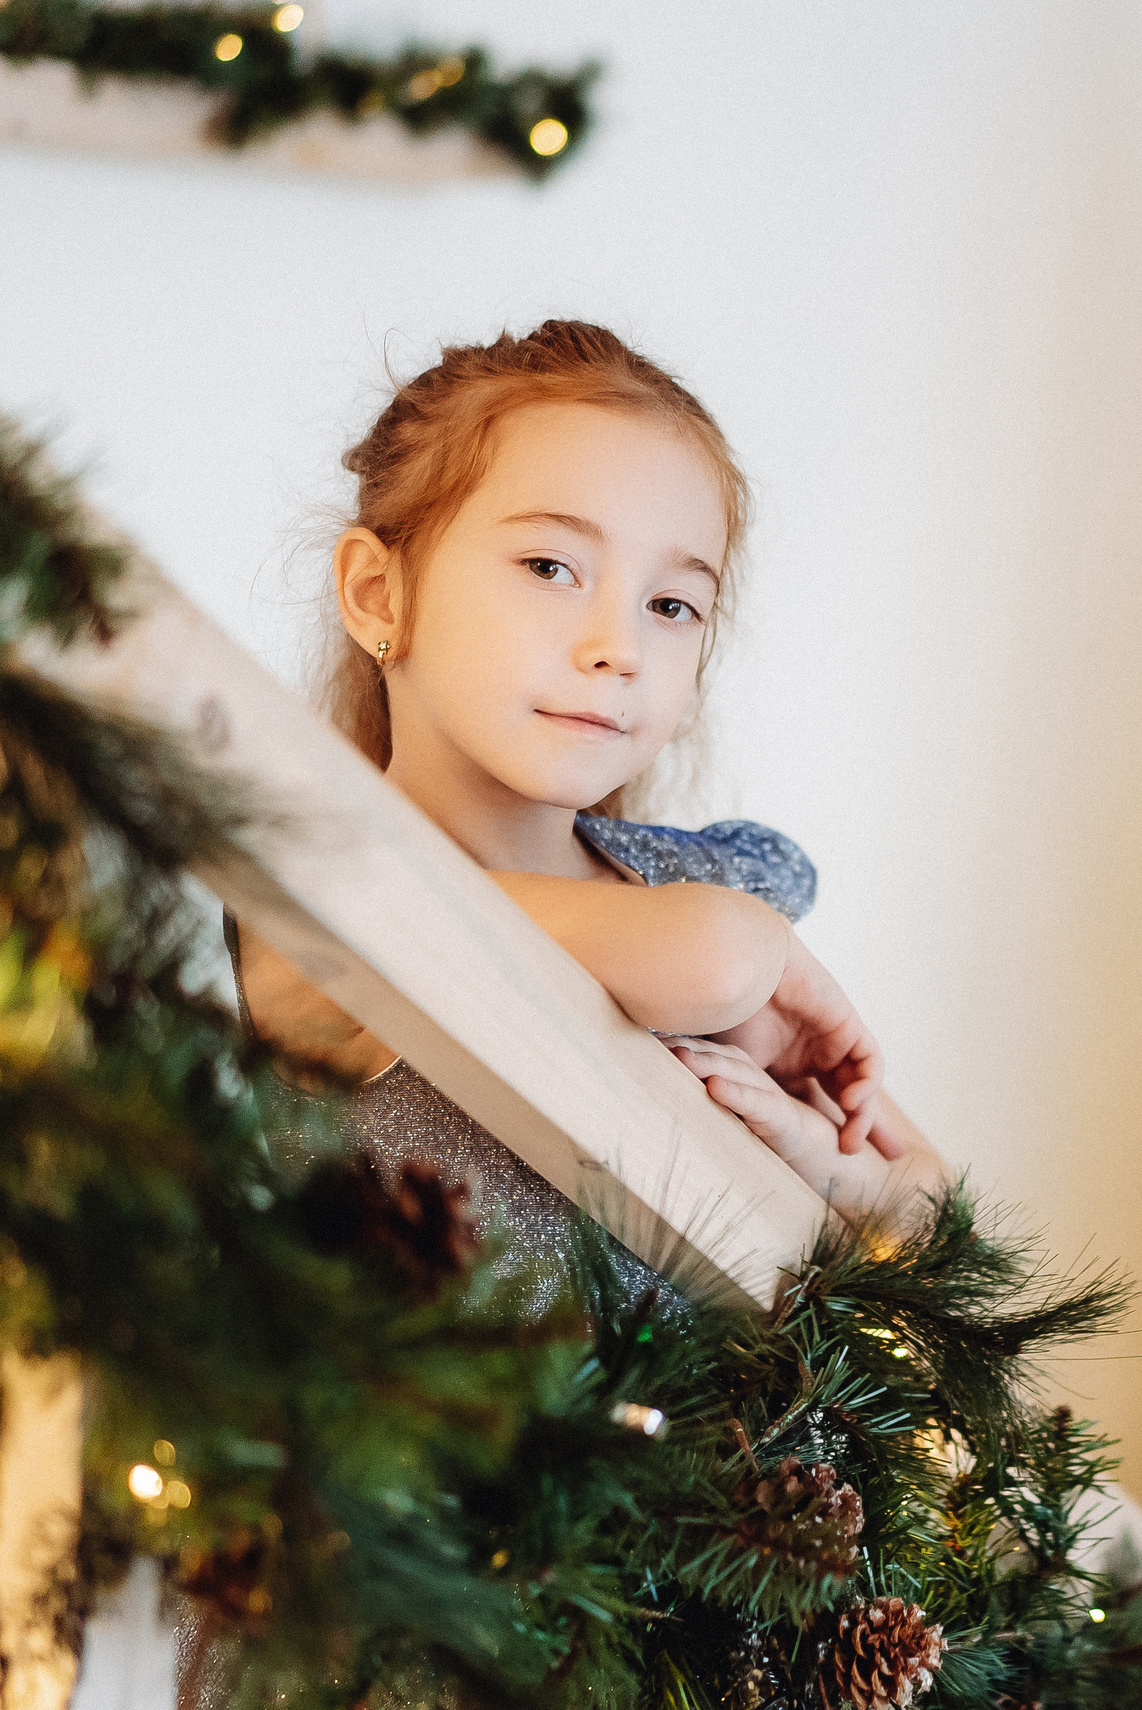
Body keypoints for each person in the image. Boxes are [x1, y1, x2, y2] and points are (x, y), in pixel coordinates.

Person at [226, 321, 951, 1310]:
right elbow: (716, 959)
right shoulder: (307, 903)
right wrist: (761, 948)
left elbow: (928, 1202)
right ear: (377, 593)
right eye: (550, 568)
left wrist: (827, 1169)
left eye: (671, 605)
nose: (620, 647)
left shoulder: (672, 885)